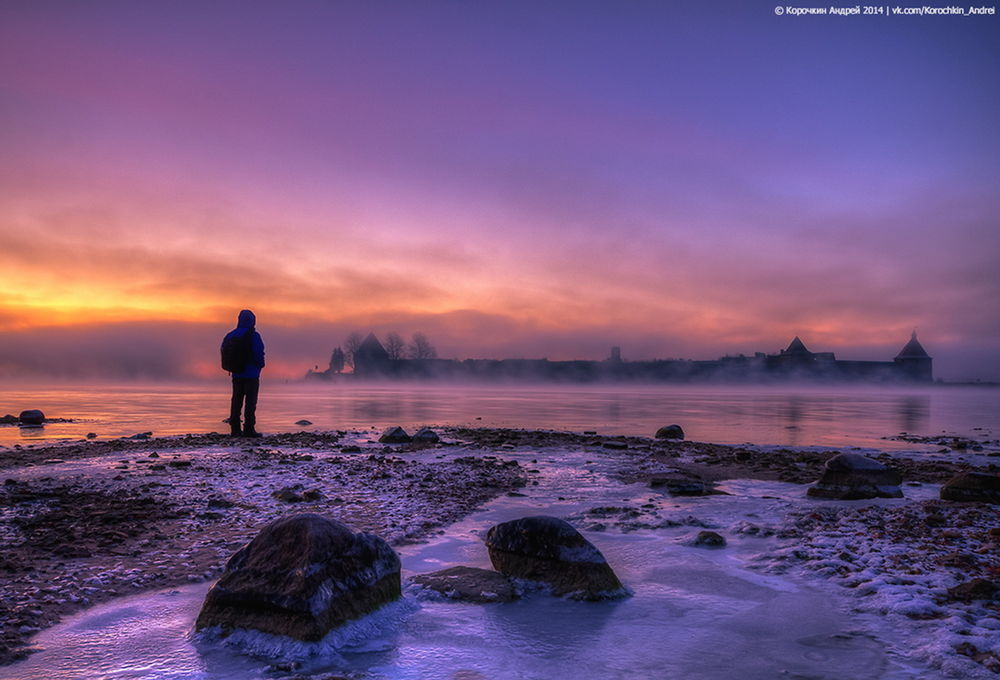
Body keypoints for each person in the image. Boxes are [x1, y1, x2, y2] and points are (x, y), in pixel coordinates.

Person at [222, 309, 265, 437]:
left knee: (236, 400)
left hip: (236, 373)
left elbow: (223, 350)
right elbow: (258, 352)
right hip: (251, 374)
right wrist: (261, 364)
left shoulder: (231, 335)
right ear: (253, 321)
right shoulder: (254, 335)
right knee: (250, 402)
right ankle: (249, 429)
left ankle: (235, 429)